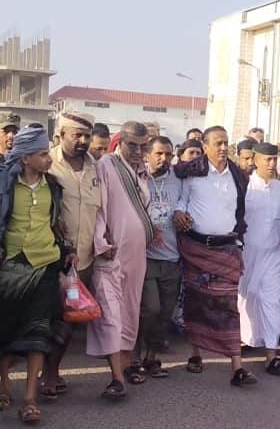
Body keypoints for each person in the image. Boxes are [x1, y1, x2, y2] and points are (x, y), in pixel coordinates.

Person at [0, 127, 74, 424]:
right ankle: (3, 385)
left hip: (45, 264)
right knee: (5, 329)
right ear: (25, 159)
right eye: (43, 154)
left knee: (38, 332)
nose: (49, 159)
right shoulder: (3, 184)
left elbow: (57, 223)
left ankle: (29, 398)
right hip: (11, 264)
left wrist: (67, 249)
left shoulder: (54, 186)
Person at [172, 125, 253, 386]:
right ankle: (196, 354)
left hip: (226, 250)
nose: (222, 148)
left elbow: (241, 212)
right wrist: (179, 213)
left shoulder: (238, 176)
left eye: (226, 143)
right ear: (204, 146)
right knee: (197, 303)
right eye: (217, 143)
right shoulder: (191, 173)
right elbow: (182, 201)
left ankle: (237, 367)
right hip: (196, 248)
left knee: (228, 307)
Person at [87, 121, 153, 398]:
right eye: (132, 146)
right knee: (110, 313)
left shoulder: (142, 172)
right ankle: (116, 378)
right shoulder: (107, 165)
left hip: (136, 255)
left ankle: (124, 367)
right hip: (111, 254)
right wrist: (101, 241)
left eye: (142, 147)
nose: (137, 151)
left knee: (129, 311)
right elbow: (98, 207)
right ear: (120, 142)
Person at [42, 111, 100, 400]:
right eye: (77, 135)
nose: (83, 141)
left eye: (87, 136)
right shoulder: (47, 163)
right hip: (50, 259)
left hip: (83, 262)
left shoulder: (97, 168)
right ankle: (42, 373)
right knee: (46, 320)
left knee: (69, 319)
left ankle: (51, 371)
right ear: (61, 134)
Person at [238, 142, 280, 375]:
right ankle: (242, 341)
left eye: (274, 160)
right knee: (246, 296)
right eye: (267, 160)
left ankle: (272, 353)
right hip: (247, 253)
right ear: (255, 160)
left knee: (272, 300)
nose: (271, 164)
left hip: (276, 253)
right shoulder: (246, 187)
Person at [139, 136, 183, 378]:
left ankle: (151, 358)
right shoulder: (138, 178)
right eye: (158, 153)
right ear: (147, 154)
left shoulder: (179, 180)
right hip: (145, 256)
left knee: (165, 312)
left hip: (171, 256)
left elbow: (186, 203)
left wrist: (181, 213)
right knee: (150, 308)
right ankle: (134, 357)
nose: (164, 159)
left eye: (168, 154)